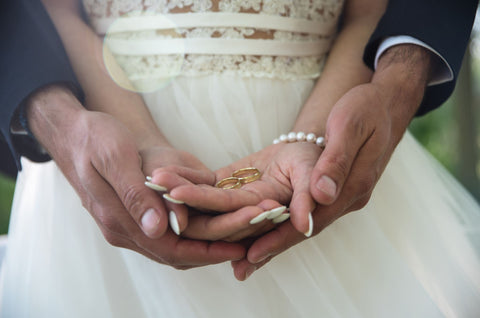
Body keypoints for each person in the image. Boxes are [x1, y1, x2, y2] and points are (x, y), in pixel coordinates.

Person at [1, 1, 479, 318]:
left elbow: (368, 10)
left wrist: (309, 137)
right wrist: (140, 138)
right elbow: (53, 7)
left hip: (328, 119)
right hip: (107, 128)